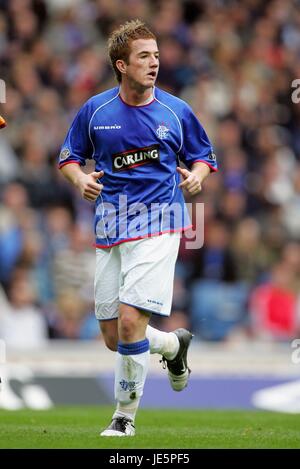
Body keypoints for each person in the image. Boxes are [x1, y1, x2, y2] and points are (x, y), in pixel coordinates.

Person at [59, 19, 217, 437]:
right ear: (121, 65)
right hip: (110, 225)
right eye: (144, 56)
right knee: (114, 337)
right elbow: (69, 157)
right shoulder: (95, 111)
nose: (154, 64)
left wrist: (198, 176)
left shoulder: (176, 112)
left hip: (160, 221)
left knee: (131, 324)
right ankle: (173, 345)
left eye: (157, 56)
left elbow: (204, 156)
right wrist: (80, 180)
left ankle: (123, 418)